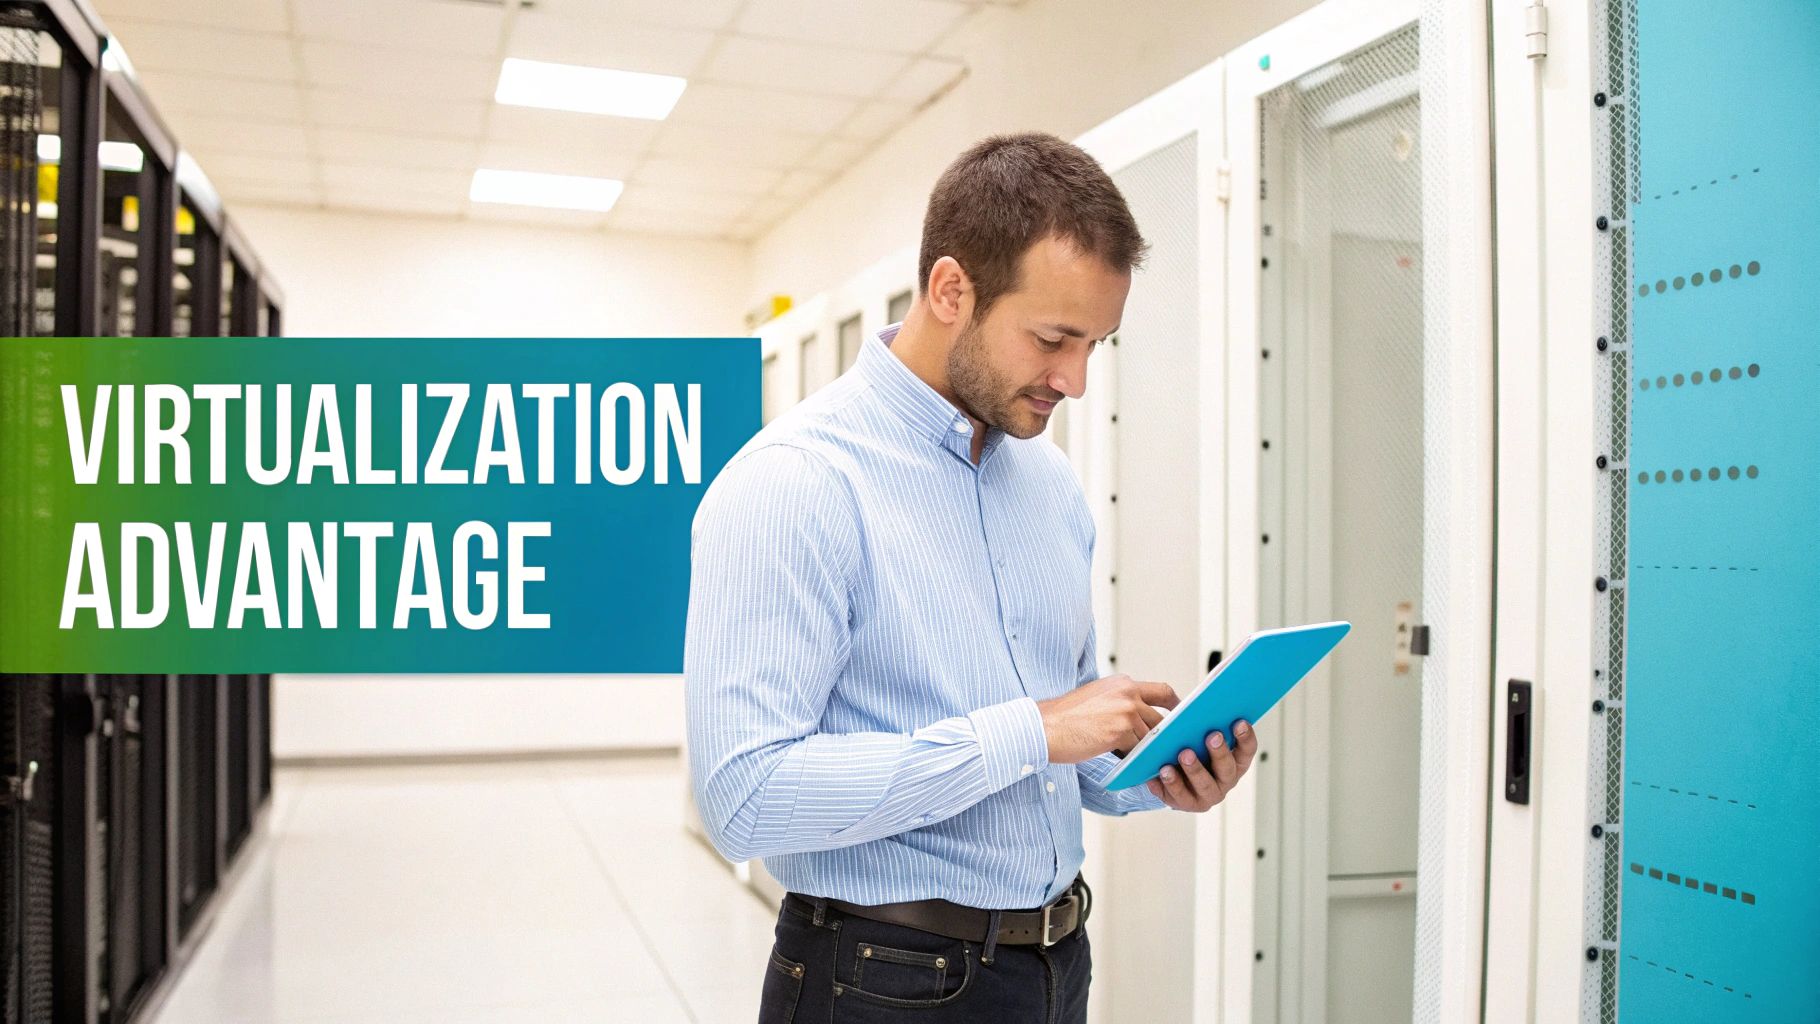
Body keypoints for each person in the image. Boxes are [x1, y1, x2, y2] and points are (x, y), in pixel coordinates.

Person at [685, 132, 1257, 1023]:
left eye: (1095, 344)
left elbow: (1055, 752)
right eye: (1053, 338)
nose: (1072, 379)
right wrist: (1030, 730)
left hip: (1055, 965)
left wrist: (1154, 773)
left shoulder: (1050, 485)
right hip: (879, 981)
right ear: (952, 289)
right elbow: (744, 800)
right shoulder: (794, 484)